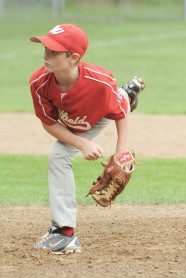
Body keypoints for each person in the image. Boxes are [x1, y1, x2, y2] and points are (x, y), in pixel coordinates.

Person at [29, 24, 143, 255]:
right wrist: (82, 143)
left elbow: (119, 113)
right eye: (46, 48)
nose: (46, 54)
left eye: (53, 51)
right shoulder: (39, 82)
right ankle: (127, 93)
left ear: (73, 57)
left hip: (97, 114)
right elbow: (49, 122)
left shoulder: (100, 82)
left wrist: (121, 152)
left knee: (116, 101)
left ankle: (65, 234)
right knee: (61, 151)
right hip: (70, 121)